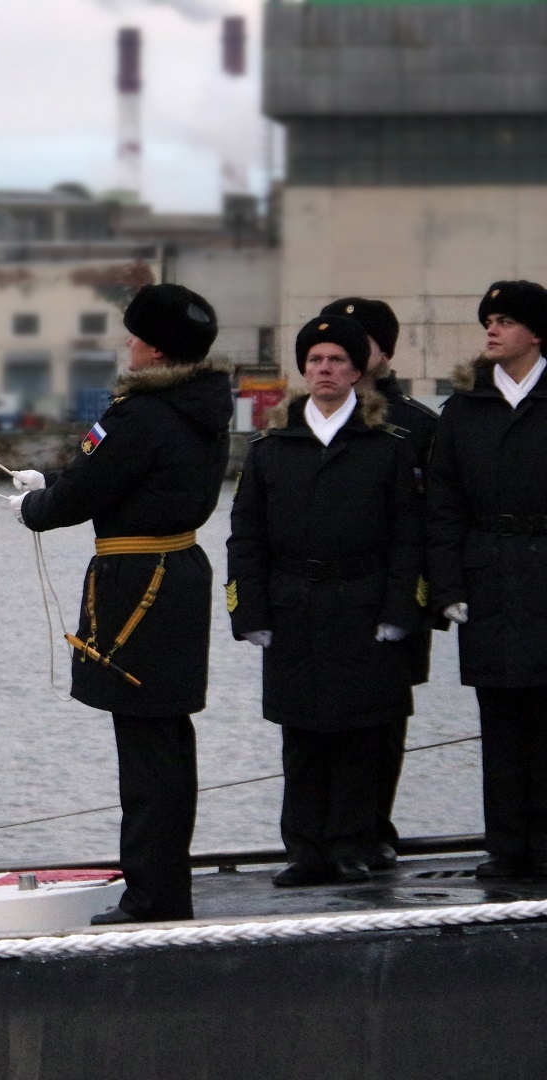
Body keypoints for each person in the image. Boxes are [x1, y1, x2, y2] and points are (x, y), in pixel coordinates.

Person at [11, 283, 231, 924]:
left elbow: (89, 492)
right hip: (178, 571)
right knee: (165, 739)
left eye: (133, 334)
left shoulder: (142, 414)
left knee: (145, 751)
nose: (125, 344)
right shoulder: (200, 408)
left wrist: (38, 505)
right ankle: (163, 886)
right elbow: (129, 482)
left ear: (155, 346)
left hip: (139, 584)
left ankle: (154, 896)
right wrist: (52, 481)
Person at [226, 315, 423, 887]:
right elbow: (247, 537)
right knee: (303, 735)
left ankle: (353, 846)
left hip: (363, 605)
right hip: (294, 608)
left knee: (360, 735)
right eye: (315, 360)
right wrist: (250, 613)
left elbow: (407, 540)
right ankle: (306, 849)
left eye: (336, 360)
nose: (325, 369)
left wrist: (399, 611)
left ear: (358, 372)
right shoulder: (271, 449)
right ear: (304, 369)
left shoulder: (384, 447)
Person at [426, 280, 547, 879]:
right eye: (488, 321)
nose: (491, 331)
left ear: (537, 333)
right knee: (498, 719)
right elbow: (443, 506)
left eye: (504, 320)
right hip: (490, 574)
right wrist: (447, 587)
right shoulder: (466, 410)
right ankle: (505, 845)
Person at [318, 297, 442, 870]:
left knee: (384, 717)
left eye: (354, 339)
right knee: (314, 713)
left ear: (382, 352)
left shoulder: (416, 426)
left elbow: (439, 520)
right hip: (323, 597)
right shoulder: (306, 422)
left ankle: (372, 829)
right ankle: (319, 834)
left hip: (397, 595)